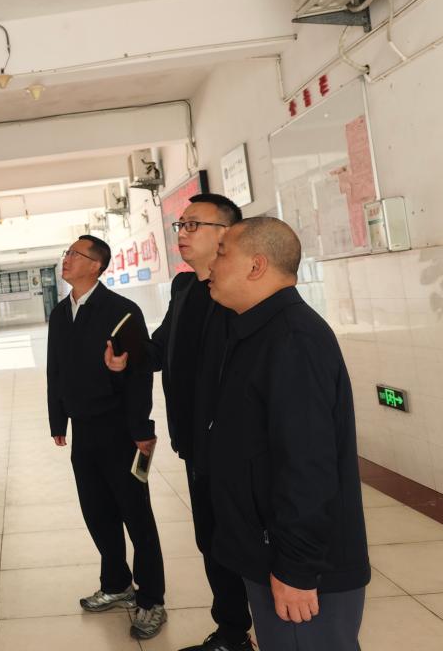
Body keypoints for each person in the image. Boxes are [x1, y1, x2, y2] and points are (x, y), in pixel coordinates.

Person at [206, 217, 370, 651]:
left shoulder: (293, 338)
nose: (210, 266)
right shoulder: (256, 330)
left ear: (256, 266)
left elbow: (308, 464)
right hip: (268, 549)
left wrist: (297, 568)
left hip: (299, 567)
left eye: (222, 254)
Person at [115, 193, 255, 651]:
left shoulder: (240, 293)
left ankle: (264, 629)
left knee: (241, 541)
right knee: (211, 540)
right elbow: (161, 349)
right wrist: (129, 356)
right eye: (181, 225)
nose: (183, 233)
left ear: (227, 235)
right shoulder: (184, 289)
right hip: (194, 442)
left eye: (195, 225)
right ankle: (232, 632)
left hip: (234, 445)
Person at [47, 235, 167, 640]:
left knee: (137, 517)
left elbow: (140, 374)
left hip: (120, 431)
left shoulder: (122, 312)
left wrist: (142, 430)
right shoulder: (61, 313)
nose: (66, 259)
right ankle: (117, 584)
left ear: (96, 266)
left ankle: (151, 599)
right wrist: (57, 419)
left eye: (74, 254)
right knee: (97, 511)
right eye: (67, 252)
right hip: (84, 430)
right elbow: (55, 369)